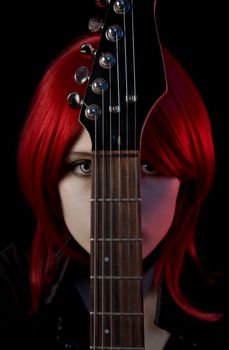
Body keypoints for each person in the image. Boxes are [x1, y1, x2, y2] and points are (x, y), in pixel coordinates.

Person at [0, 32, 224, 349]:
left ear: (184, 178)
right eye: (85, 167)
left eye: (150, 166)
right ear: (51, 179)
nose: (120, 205)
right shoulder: (9, 287)